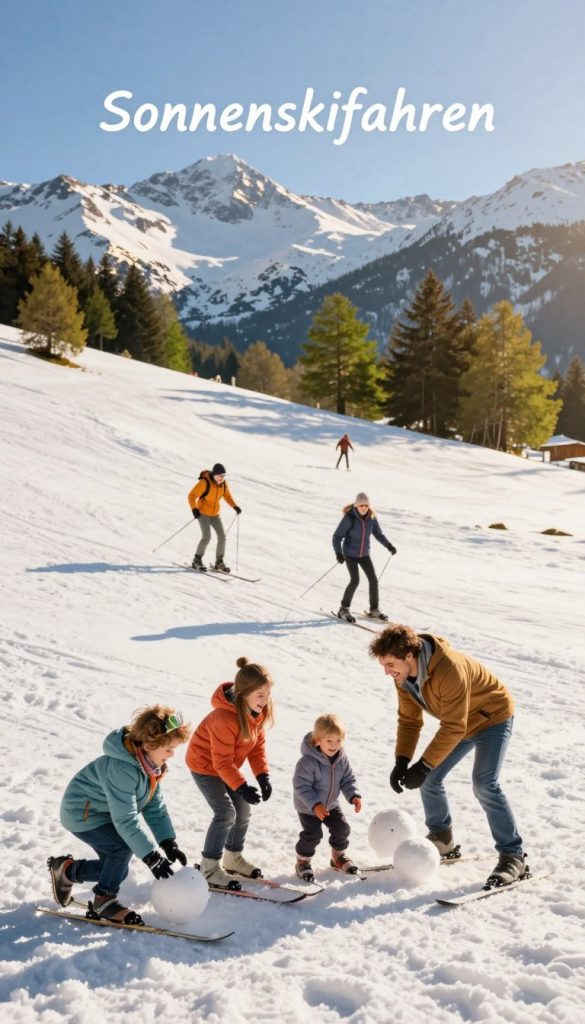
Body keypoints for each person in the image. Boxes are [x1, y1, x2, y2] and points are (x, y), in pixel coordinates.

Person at [369, 625, 526, 886]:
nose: (386, 671)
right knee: (431, 779)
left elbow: (453, 727)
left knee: (484, 782)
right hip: (461, 721)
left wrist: (423, 765)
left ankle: (513, 856)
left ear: (409, 655)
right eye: (383, 665)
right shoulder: (402, 677)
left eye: (390, 664)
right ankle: (442, 839)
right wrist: (402, 760)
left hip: (492, 718)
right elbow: (409, 720)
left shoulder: (449, 669)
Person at [48, 705, 191, 925]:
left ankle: (67, 871)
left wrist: (167, 841)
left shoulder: (151, 766)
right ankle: (104, 900)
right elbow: (126, 819)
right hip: (81, 813)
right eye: (168, 749)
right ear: (149, 743)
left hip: (104, 812)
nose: (172, 755)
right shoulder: (122, 769)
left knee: (117, 871)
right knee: (121, 848)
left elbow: (154, 806)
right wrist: (151, 857)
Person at [186, 657, 274, 889]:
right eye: (260, 695)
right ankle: (209, 867)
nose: (265, 701)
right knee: (225, 812)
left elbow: (257, 747)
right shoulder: (223, 718)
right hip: (204, 766)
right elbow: (221, 762)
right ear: (244, 693)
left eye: (267, 694)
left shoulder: (256, 713)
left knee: (242, 810)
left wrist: (262, 776)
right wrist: (242, 787)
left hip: (225, 766)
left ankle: (232, 857)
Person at [293, 714, 362, 882]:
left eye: (338, 740)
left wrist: (353, 795)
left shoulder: (341, 759)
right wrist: (315, 805)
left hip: (331, 805)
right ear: (317, 741)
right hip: (309, 807)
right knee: (313, 834)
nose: (334, 745)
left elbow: (347, 779)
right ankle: (302, 862)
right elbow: (301, 786)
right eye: (329, 741)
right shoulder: (307, 762)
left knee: (342, 829)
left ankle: (338, 857)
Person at [332, 492, 397, 622]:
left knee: (373, 580)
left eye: (366, 505)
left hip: (364, 554)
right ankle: (343, 609)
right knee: (355, 580)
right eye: (361, 505)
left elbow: (378, 534)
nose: (364, 508)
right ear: (356, 506)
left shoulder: (371, 518)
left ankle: (374, 609)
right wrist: (338, 553)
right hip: (350, 554)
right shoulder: (349, 518)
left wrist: (388, 545)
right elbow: (337, 537)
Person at [187, 462, 241, 572]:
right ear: (214, 475)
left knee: (222, 537)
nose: (221, 478)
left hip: (215, 514)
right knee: (207, 537)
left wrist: (235, 506)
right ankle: (197, 560)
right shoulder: (204, 482)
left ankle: (219, 562)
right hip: (203, 514)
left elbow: (227, 495)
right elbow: (191, 496)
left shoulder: (223, 484)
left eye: (223, 476)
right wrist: (194, 509)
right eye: (219, 476)